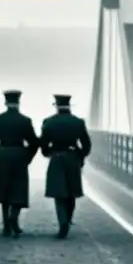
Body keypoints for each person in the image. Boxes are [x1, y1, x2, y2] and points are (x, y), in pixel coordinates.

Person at [0, 89, 40, 237]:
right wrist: (27, 158)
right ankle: (14, 217)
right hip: (19, 155)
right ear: (18, 102)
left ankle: (6, 225)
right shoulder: (25, 121)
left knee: (4, 190)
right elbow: (34, 142)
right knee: (18, 189)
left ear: (6, 102)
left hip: (2, 155)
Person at [39, 94, 92, 238]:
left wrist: (49, 153)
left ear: (56, 106)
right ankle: (68, 219)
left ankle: (62, 221)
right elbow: (86, 144)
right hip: (72, 157)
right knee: (72, 191)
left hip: (56, 157)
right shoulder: (78, 122)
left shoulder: (49, 122)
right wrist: (80, 155)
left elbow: (43, 144)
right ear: (69, 106)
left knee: (59, 193)